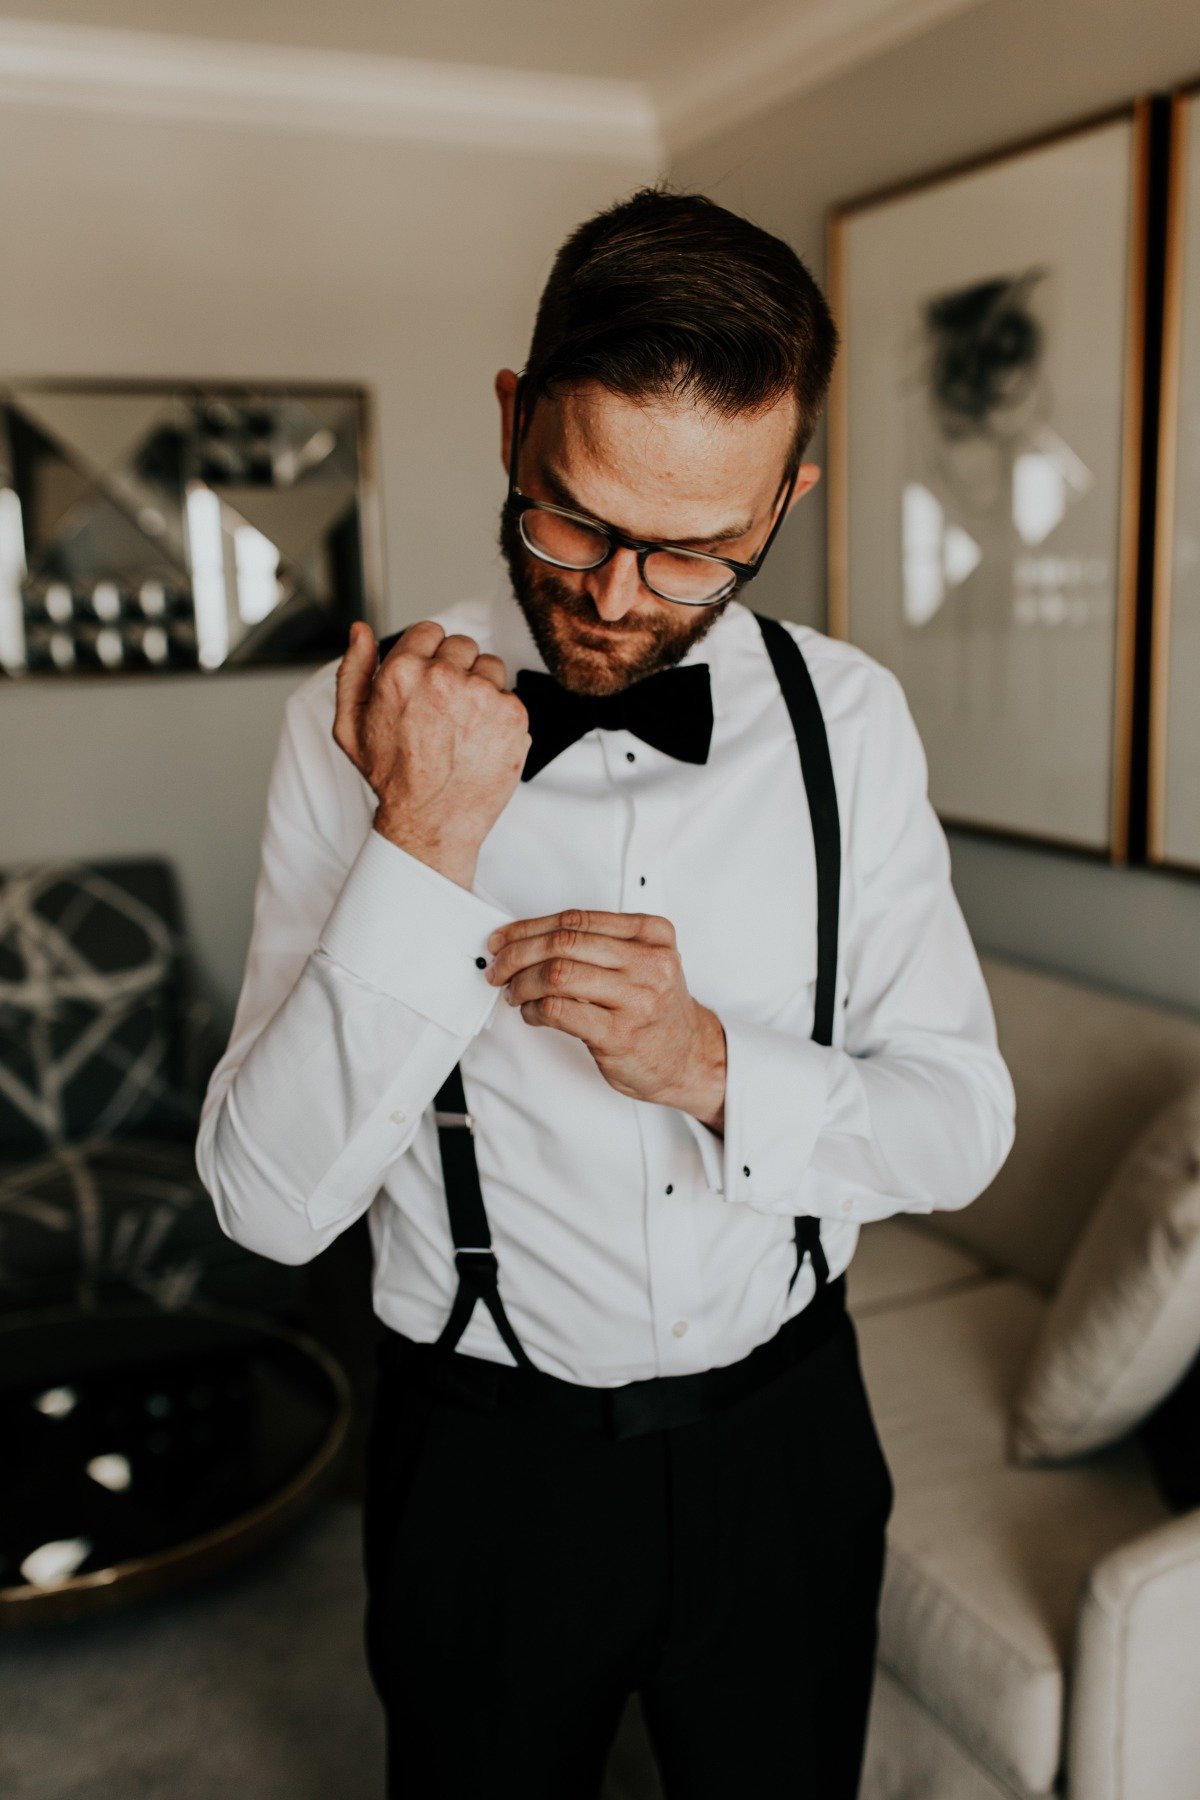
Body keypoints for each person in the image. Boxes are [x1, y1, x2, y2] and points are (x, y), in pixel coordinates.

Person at [196, 183, 1015, 1800]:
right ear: (514, 423)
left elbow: (964, 1128)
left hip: (785, 1443)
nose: (622, 595)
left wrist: (719, 1066)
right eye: (577, 521)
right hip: (484, 1466)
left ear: (789, 496)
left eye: (699, 551)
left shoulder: (851, 722)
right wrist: (424, 844)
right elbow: (266, 1209)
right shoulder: (349, 722)